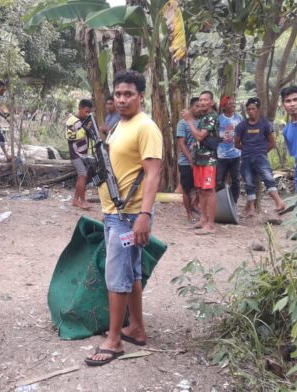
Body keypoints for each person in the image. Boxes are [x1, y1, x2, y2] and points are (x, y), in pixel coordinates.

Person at [84, 69, 162, 367]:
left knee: (117, 276)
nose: (122, 99)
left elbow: (154, 174)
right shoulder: (119, 124)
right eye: (118, 94)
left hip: (129, 216)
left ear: (141, 96)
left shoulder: (146, 128)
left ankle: (114, 340)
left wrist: (144, 215)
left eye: (128, 94)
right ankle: (136, 328)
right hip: (115, 212)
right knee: (132, 273)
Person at [234, 98, 286, 217]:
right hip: (246, 158)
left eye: (253, 109)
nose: (251, 111)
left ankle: (279, 203)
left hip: (260, 157)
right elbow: (236, 143)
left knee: (268, 178)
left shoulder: (265, 124)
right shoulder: (241, 126)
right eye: (249, 109)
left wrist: (261, 151)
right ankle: (251, 209)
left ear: (258, 110)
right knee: (248, 183)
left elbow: (272, 143)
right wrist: (248, 149)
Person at [187, 91, 219, 235]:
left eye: (206, 100)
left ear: (211, 102)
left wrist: (189, 121)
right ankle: (203, 219)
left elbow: (200, 136)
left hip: (209, 159)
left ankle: (211, 224)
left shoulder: (212, 117)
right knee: (201, 190)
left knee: (209, 190)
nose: (202, 102)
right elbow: (199, 139)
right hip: (199, 158)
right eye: (200, 99)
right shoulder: (204, 117)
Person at [176, 97, 200, 222]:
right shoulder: (182, 123)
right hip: (186, 162)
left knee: (201, 188)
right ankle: (189, 214)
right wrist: (191, 161)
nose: (199, 109)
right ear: (190, 106)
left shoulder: (203, 121)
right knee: (186, 189)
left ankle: (195, 205)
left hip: (201, 161)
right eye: (196, 106)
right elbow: (181, 143)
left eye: (200, 106)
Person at [66, 99, 93, 209]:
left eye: (89, 112)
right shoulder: (71, 121)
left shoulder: (84, 120)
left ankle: (75, 200)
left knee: (80, 177)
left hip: (83, 153)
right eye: (86, 111)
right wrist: (85, 129)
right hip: (75, 153)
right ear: (80, 109)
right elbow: (71, 136)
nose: (87, 114)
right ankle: (83, 201)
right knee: (83, 176)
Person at [216, 95, 243, 204]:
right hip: (221, 156)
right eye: (229, 104)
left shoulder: (239, 118)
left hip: (236, 155)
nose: (233, 105)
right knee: (219, 180)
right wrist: (222, 137)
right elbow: (214, 135)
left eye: (233, 103)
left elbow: (243, 133)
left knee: (236, 180)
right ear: (223, 107)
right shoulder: (219, 119)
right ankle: (220, 204)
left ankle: (233, 203)